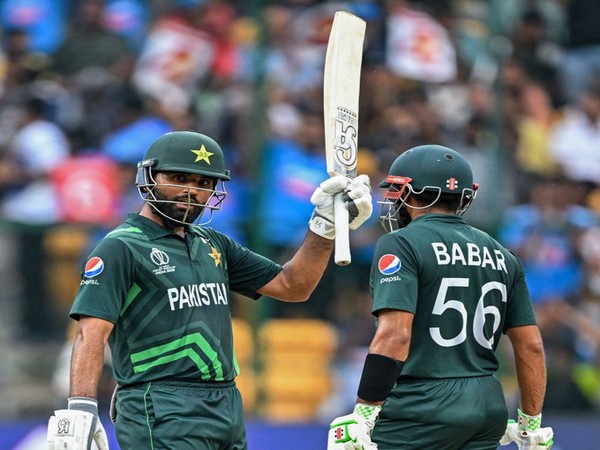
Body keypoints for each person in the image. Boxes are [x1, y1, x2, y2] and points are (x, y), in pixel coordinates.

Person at [46, 130, 373, 450]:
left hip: (225, 402)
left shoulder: (213, 243)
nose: (191, 191)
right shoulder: (120, 246)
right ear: (148, 178)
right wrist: (82, 407)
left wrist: (324, 225)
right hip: (160, 403)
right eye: (178, 178)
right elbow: (91, 333)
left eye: (204, 183)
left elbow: (294, 286)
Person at [327, 144, 554, 450]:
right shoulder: (504, 255)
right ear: (465, 196)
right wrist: (530, 425)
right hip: (487, 404)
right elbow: (531, 347)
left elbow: (394, 336)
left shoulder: (400, 244)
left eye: (397, 191)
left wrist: (364, 412)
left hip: (421, 404)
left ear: (409, 192)